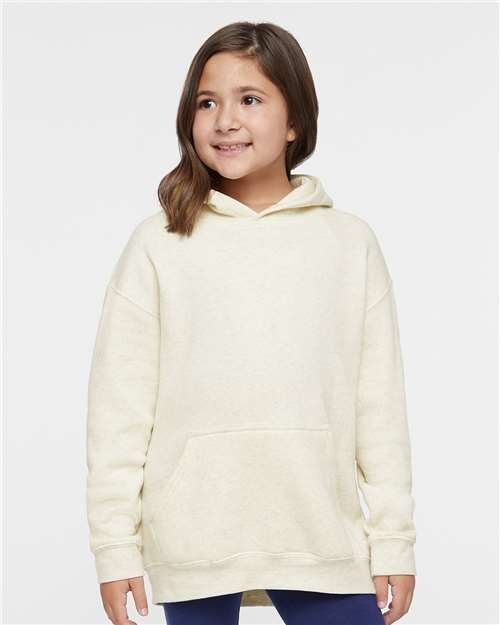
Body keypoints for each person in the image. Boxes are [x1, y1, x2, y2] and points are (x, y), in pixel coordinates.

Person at [86, 20, 417, 625]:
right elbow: (119, 412)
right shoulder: (159, 244)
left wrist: (394, 539)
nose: (225, 120)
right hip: (193, 536)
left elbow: (380, 409)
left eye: (251, 99)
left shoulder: (348, 244)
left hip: (317, 531)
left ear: (295, 122)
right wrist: (114, 546)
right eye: (207, 103)